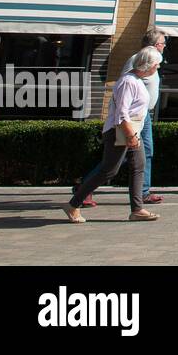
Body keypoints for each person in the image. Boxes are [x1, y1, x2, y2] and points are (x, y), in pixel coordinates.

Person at [66, 46, 162, 223]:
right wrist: (130, 135)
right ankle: (73, 204)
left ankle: (137, 209)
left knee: (138, 165)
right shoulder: (128, 81)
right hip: (120, 131)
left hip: (133, 130)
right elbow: (121, 112)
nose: (158, 67)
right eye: (156, 64)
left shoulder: (138, 80)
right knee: (109, 170)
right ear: (147, 65)